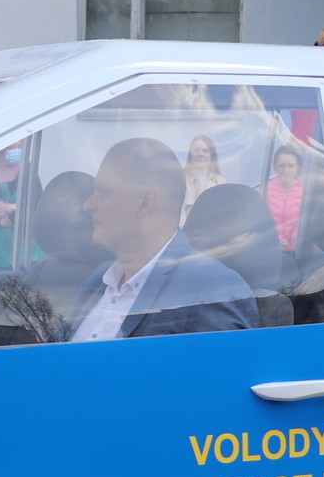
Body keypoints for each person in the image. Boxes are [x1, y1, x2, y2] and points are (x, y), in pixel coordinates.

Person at [71, 137, 256, 341]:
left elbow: (218, 371)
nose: (88, 205)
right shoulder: (98, 280)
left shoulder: (211, 289)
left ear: (145, 202)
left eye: (102, 193)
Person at [264, 145, 305, 253]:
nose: (286, 170)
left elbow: (312, 222)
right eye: (282, 166)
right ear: (275, 167)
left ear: (298, 167)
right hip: (273, 253)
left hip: (301, 253)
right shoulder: (264, 191)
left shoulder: (308, 191)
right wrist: (272, 239)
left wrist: (300, 238)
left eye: (291, 166)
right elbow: (259, 224)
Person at [181, 134, 225, 221]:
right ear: (190, 154)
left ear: (211, 155)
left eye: (205, 151)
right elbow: (179, 215)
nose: (201, 154)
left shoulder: (220, 182)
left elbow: (224, 213)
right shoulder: (181, 180)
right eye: (197, 150)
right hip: (188, 232)